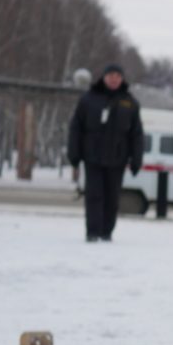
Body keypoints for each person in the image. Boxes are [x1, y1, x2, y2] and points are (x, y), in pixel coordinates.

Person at [67, 63, 143, 242]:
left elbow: (137, 134)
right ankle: (92, 232)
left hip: (117, 159)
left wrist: (136, 159)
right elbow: (76, 128)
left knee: (112, 198)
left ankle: (107, 232)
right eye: (111, 75)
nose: (114, 79)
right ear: (104, 77)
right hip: (92, 158)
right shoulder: (88, 99)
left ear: (122, 78)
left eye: (118, 75)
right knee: (94, 196)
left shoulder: (129, 102)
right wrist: (74, 155)